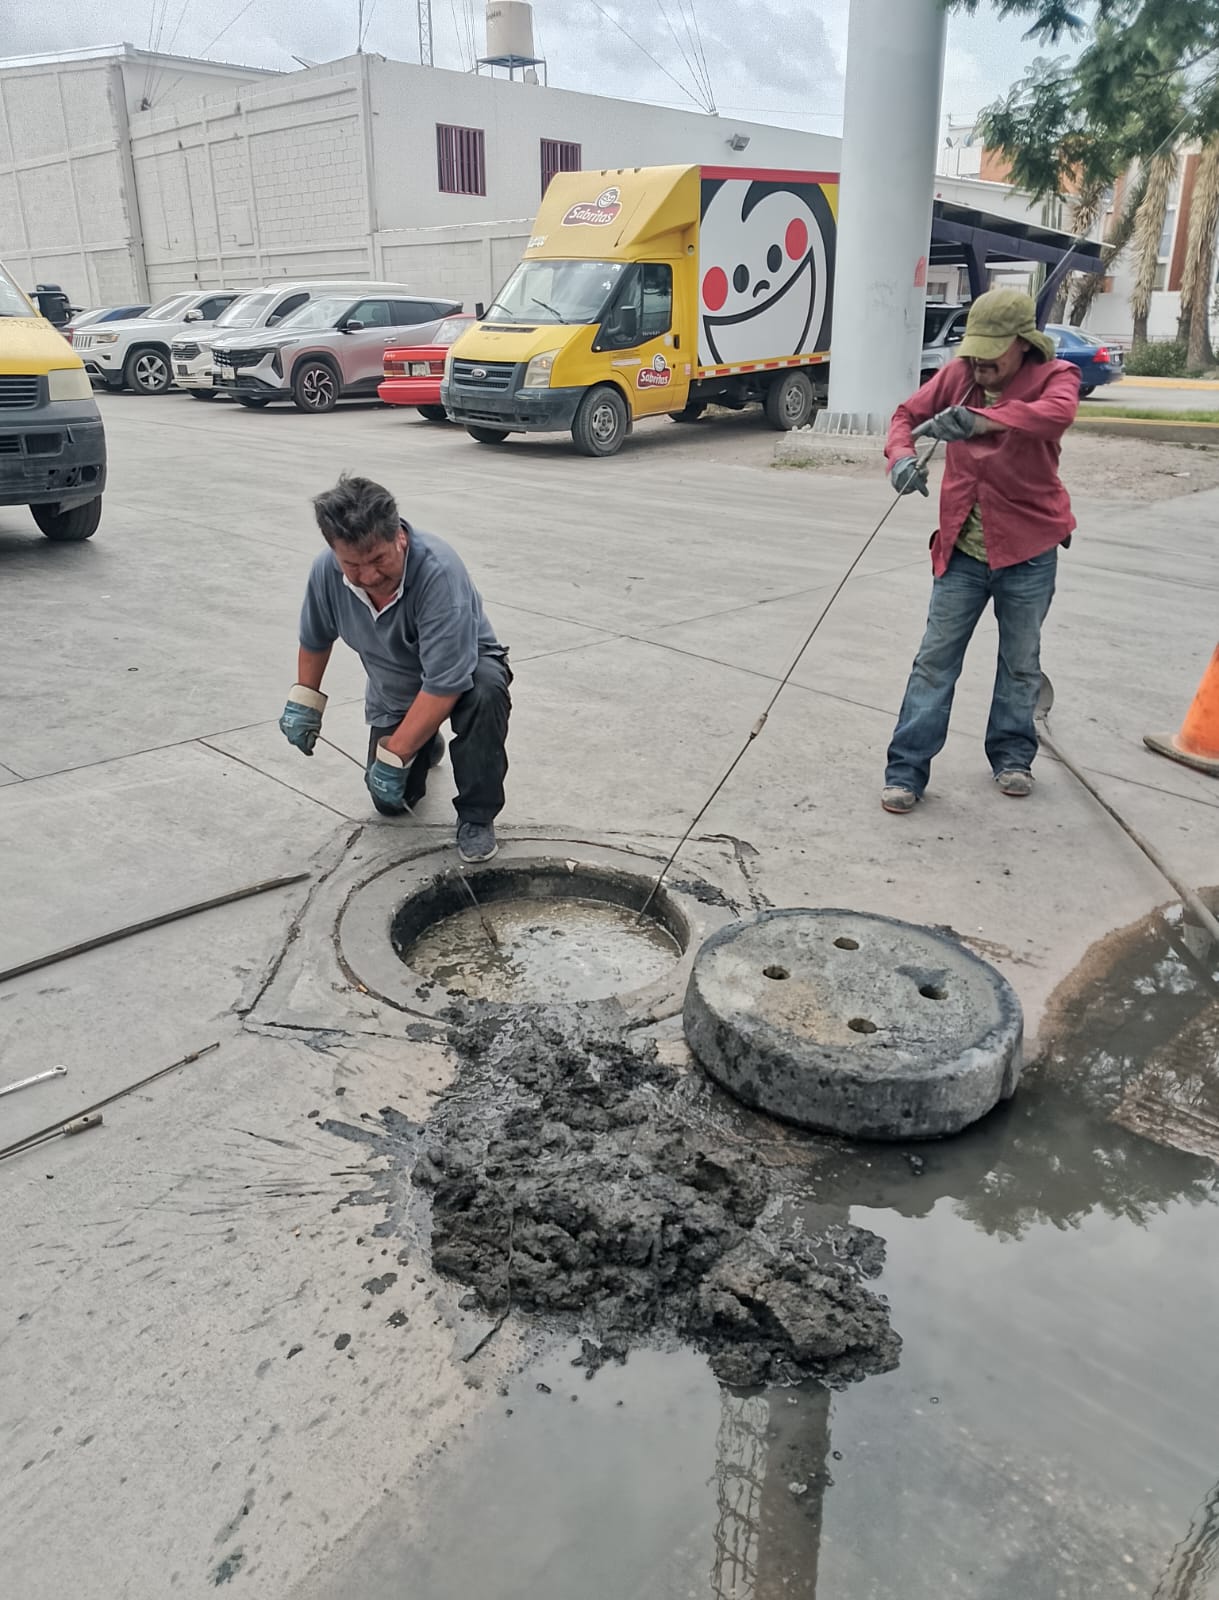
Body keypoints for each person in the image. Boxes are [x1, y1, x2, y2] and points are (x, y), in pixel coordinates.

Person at [881, 288, 1080, 814]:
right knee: (934, 661)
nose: (980, 365)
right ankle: (906, 770)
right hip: (962, 553)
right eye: (975, 352)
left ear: (1023, 344)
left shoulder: (1056, 376)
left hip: (1028, 550)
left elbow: (1054, 415)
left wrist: (981, 421)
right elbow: (905, 414)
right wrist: (900, 458)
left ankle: (1012, 755)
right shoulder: (960, 375)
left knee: (1021, 661)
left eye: (993, 354)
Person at [278, 475, 510, 862]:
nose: (369, 576)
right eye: (352, 564)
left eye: (378, 560)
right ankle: (425, 740)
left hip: (463, 675)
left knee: (486, 691)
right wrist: (305, 702)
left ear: (399, 537)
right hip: (396, 688)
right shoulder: (326, 573)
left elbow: (444, 684)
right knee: (390, 803)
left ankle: (476, 816)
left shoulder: (438, 574)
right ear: (334, 552)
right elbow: (316, 639)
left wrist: (397, 753)